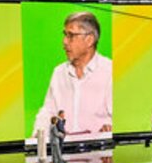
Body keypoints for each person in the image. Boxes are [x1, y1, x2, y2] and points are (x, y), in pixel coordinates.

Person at [33, 11, 112, 139]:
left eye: (71, 36)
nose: (64, 42)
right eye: (64, 35)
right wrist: (37, 136)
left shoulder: (109, 71)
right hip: (64, 150)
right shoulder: (59, 73)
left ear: (89, 39)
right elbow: (47, 113)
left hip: (100, 151)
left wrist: (110, 128)